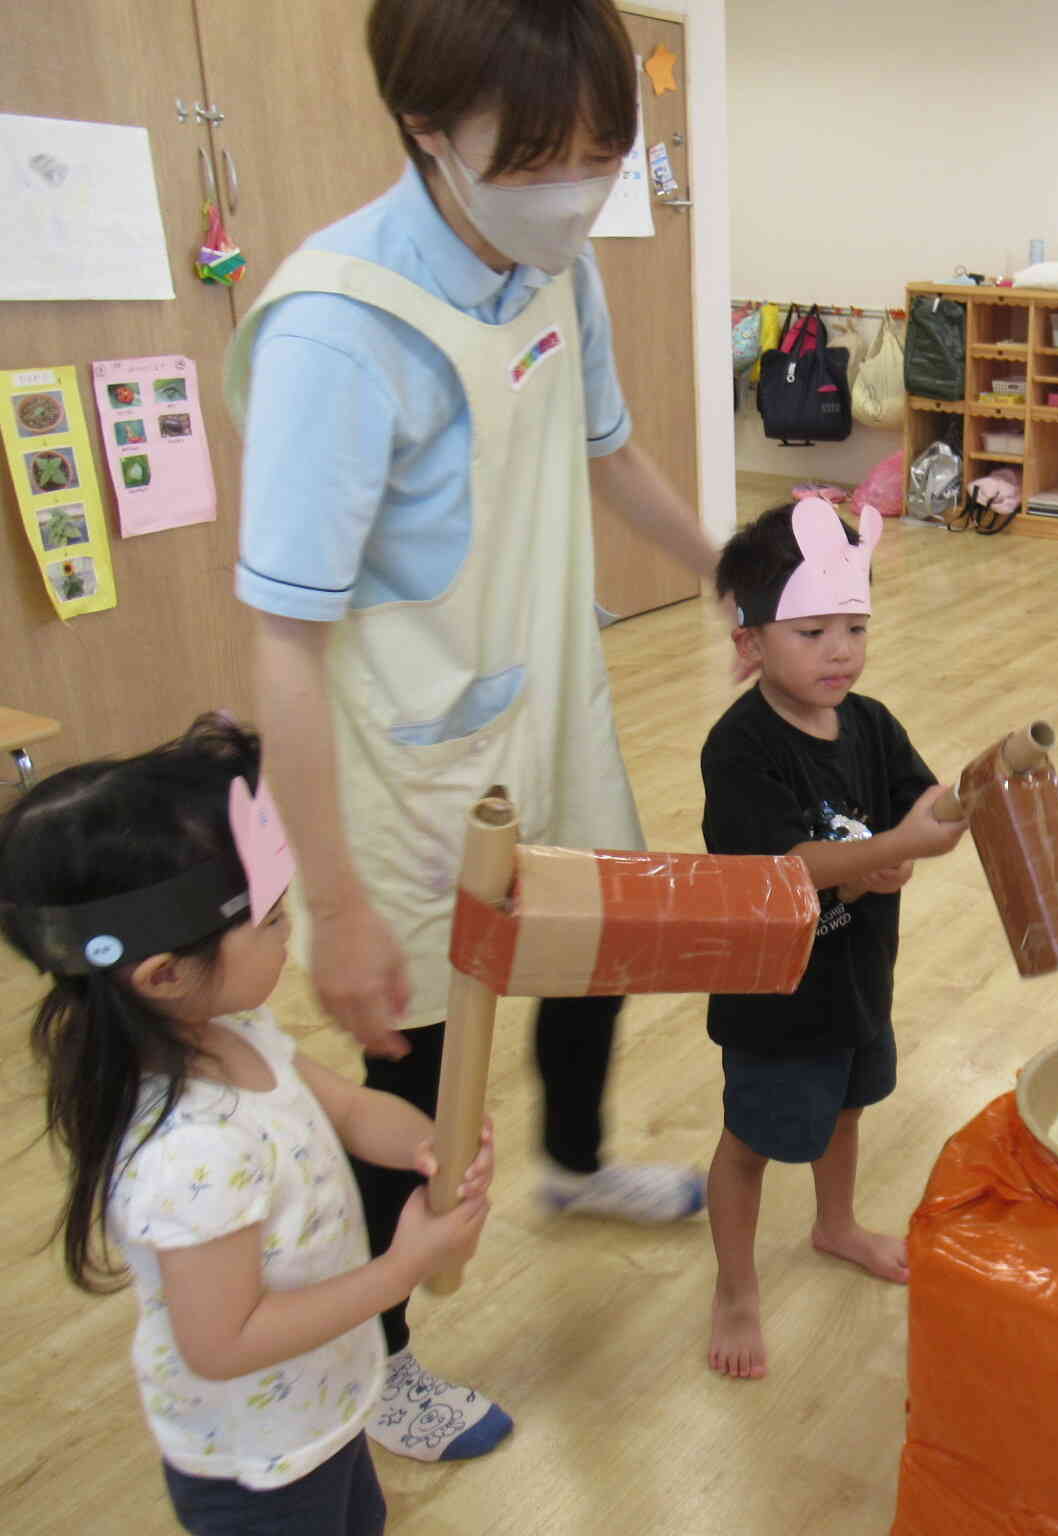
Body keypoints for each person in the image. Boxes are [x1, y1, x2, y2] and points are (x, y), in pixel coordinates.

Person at [227, 0, 720, 1458]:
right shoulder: (340, 330)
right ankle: (372, 1359)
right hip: (395, 763)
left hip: (546, 703)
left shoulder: (552, 263)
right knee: (407, 1082)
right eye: (545, 156)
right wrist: (337, 904)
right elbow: (284, 642)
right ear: (429, 131)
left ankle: (572, 1164)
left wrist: (730, 577)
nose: (579, 187)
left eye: (604, 155)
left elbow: (608, 451)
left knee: (589, 950)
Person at [0, 715, 495, 1534]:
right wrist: (403, 1267)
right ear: (163, 974)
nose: (288, 927)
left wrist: (422, 1142)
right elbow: (225, 1340)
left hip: (323, 1404)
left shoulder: (233, 1034)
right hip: (258, 1466)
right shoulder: (191, 1153)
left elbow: (347, 1107)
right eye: (266, 921)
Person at [700, 500, 970, 1381]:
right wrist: (889, 852)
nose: (841, 651)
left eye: (854, 627)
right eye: (812, 631)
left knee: (848, 1108)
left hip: (857, 973)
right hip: (775, 995)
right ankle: (735, 1289)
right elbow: (786, 867)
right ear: (750, 645)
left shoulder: (871, 721)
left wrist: (957, 813)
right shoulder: (739, 749)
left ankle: (835, 1224)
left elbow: (914, 805)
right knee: (751, 1143)